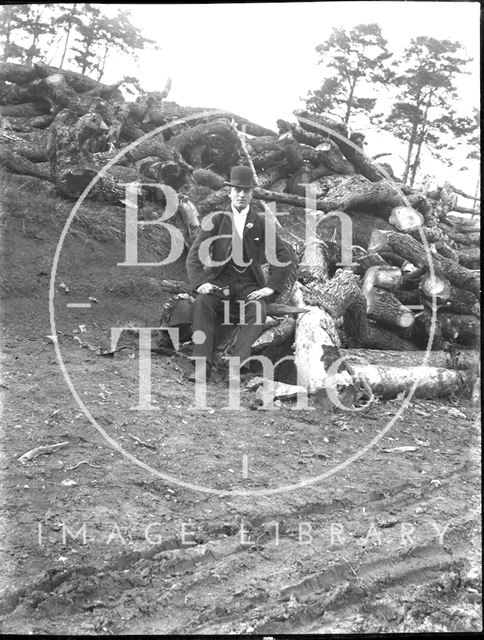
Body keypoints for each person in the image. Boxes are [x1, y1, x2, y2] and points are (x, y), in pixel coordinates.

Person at [186, 165, 293, 382]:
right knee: (202, 302)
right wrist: (200, 283)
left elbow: (283, 255)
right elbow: (194, 255)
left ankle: (235, 367)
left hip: (248, 284)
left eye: (246, 191)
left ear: (252, 194)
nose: (241, 195)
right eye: (237, 190)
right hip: (221, 282)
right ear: (229, 192)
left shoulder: (261, 222)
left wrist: (270, 287)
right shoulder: (216, 220)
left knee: (258, 309)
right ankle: (201, 366)